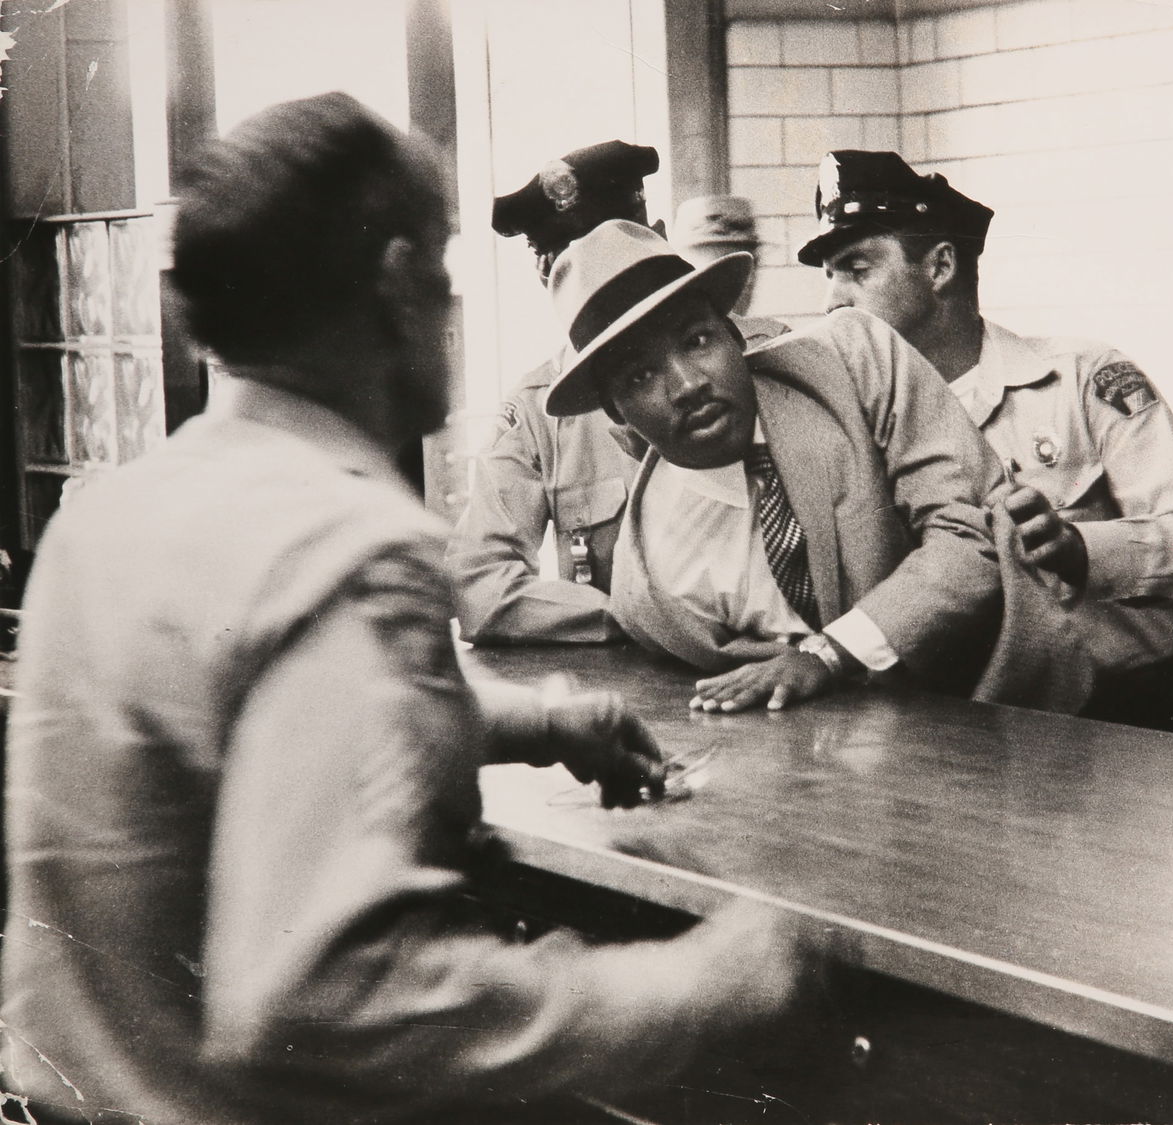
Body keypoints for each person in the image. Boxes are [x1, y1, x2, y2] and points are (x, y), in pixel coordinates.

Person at [0, 95, 806, 1123]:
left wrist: (525, 721)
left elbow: (227, 731)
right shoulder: (344, 548)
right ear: (396, 285)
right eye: (444, 268)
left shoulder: (112, 514)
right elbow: (325, 990)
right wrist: (702, 982)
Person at [539, 220, 1064, 715]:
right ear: (615, 413)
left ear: (736, 337)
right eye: (640, 375)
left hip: (1014, 709)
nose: (687, 384)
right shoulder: (650, 592)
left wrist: (828, 654)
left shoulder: (855, 361)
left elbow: (973, 534)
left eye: (697, 341)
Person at [801, 150, 1173, 736]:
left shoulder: (1081, 379)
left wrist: (1080, 550)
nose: (833, 302)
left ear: (939, 267)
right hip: (969, 729)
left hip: (1133, 715)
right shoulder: (848, 427)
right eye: (828, 277)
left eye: (857, 270)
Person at [449, 147, 786, 644]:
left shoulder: (772, 355)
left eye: (622, 244)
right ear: (546, 278)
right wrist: (648, 617)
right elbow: (478, 586)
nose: (604, 274)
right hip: (637, 688)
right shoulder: (539, 407)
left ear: (662, 242)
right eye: (569, 262)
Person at [673, 194, 763, 314]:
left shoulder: (774, 331)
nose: (748, 281)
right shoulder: (667, 330)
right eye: (730, 268)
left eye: (753, 265)